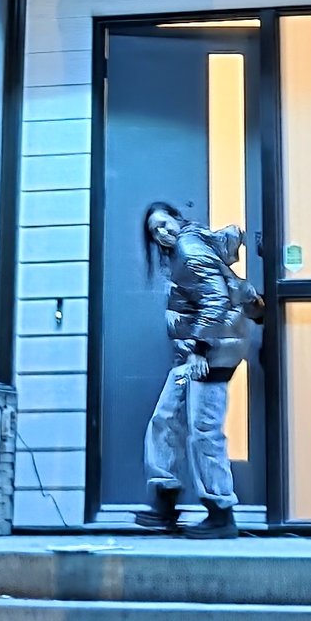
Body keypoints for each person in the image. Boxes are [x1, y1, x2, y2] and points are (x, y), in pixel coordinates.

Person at [134, 199, 253, 533]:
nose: (162, 232)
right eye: (154, 231)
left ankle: (220, 513)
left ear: (177, 218)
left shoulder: (189, 250)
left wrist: (200, 350)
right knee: (166, 419)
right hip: (193, 357)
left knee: (204, 431)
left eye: (164, 223)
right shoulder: (180, 252)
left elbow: (216, 299)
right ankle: (165, 502)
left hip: (211, 354)